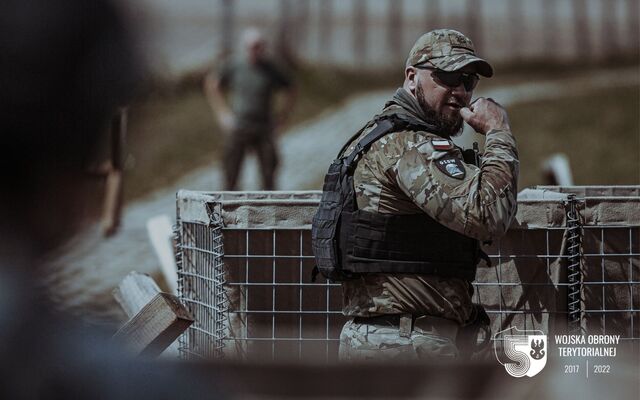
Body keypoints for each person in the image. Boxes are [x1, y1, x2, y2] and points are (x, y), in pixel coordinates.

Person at [312, 29, 519, 361]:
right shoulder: (411, 145)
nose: (461, 91)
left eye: (469, 81)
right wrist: (498, 132)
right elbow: (488, 215)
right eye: (448, 76)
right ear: (412, 77)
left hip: (391, 340)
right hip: (405, 345)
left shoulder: (379, 134)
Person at [204, 28, 296, 190]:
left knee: (269, 169)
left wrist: (282, 117)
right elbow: (212, 83)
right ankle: (229, 205)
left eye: (259, 47)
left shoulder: (270, 68)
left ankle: (268, 207)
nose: (255, 51)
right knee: (230, 169)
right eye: (252, 47)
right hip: (239, 124)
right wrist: (222, 113)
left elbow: (291, 88)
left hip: (264, 126)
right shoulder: (234, 64)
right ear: (245, 47)